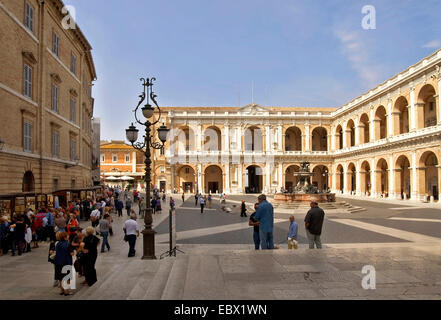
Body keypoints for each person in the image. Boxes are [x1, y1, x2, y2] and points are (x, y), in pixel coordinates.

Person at [54, 231, 74, 295]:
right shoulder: (68, 244)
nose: (68, 236)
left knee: (60, 277)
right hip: (66, 262)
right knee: (67, 277)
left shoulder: (57, 244)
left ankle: (62, 290)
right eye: (67, 235)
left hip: (58, 262)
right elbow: (71, 253)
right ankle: (66, 291)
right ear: (65, 237)